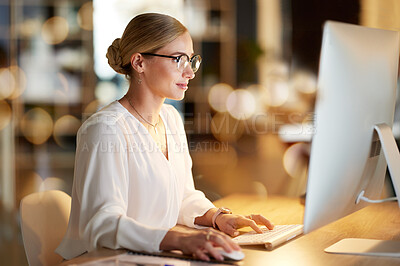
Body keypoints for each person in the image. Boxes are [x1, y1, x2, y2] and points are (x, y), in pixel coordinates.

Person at [56, 13, 274, 262]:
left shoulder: (170, 118)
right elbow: (103, 225)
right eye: (179, 59)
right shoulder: (105, 128)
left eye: (191, 60)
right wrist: (181, 240)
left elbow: (182, 196)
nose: (190, 72)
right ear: (139, 63)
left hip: (153, 257)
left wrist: (218, 217)